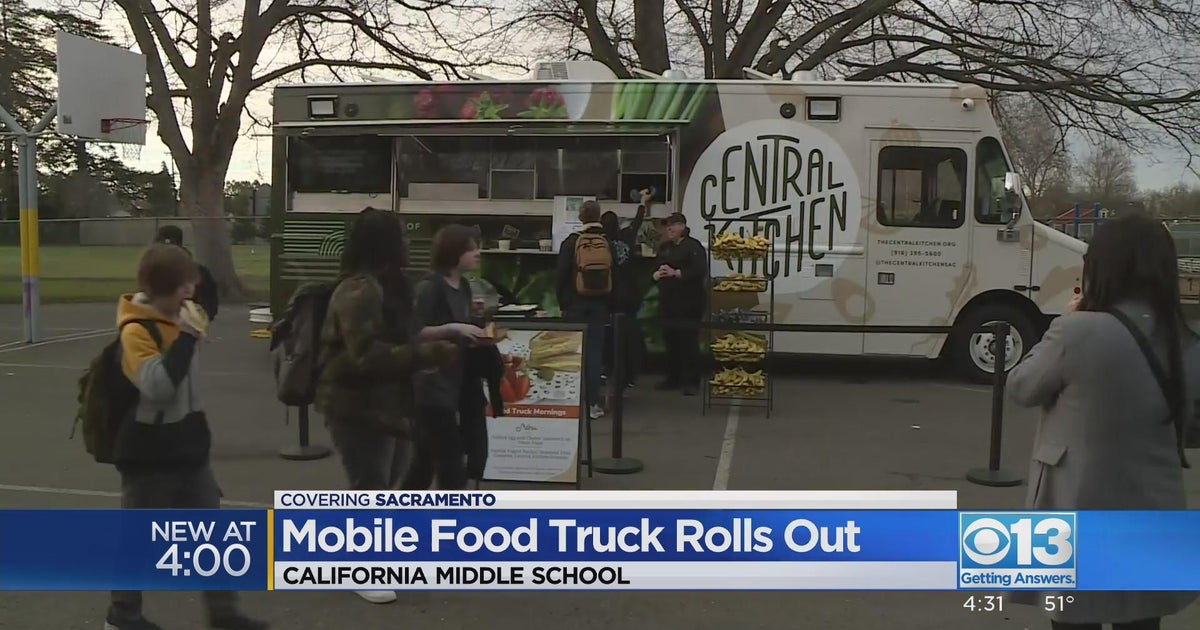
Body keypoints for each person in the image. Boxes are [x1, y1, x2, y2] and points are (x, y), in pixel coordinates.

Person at [1007, 213, 1199, 630]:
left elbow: (1021, 387)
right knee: (1142, 621)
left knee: (1075, 618)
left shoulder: (1078, 331)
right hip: (1155, 514)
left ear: (1102, 267)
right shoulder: (1186, 341)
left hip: (1079, 510)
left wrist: (1065, 321)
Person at [105, 244, 266, 630]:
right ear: (162, 290)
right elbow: (158, 386)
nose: (189, 295)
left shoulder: (178, 318)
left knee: (214, 535)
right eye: (183, 288)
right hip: (149, 456)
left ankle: (224, 614)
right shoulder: (136, 330)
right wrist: (187, 339)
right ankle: (122, 616)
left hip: (188, 449)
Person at [313, 208, 460, 605]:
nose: (410, 243)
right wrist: (430, 355)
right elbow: (367, 356)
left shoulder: (390, 285)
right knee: (371, 487)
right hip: (354, 404)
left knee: (388, 484)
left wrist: (452, 331)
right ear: (385, 245)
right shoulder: (358, 291)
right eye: (402, 237)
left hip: (391, 403)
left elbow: (407, 334)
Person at [404, 224, 489, 491]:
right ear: (454, 252)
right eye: (471, 248)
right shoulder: (430, 288)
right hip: (430, 385)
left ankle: (401, 516)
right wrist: (455, 328)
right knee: (451, 462)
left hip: (454, 382)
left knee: (424, 461)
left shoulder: (463, 286)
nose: (478, 253)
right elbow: (414, 332)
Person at [556, 200, 616, 420]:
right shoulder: (607, 242)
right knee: (593, 353)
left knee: (573, 353)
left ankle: (573, 402)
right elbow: (615, 274)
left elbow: (561, 275)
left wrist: (564, 304)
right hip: (599, 304)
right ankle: (593, 404)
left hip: (575, 304)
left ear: (580, 217)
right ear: (598, 217)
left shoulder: (571, 242)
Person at [600, 190, 650, 388]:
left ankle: (610, 370)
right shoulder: (627, 237)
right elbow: (638, 221)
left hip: (610, 296)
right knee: (629, 337)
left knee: (610, 337)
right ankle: (629, 375)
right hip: (630, 294)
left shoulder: (601, 244)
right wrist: (643, 203)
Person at [653, 213, 707, 396]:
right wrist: (657, 274)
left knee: (689, 342)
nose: (668, 229)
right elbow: (657, 265)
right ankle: (672, 377)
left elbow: (699, 269)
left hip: (689, 303)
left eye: (672, 226)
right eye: (667, 226)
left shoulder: (694, 246)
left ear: (682, 226)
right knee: (670, 341)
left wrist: (677, 273)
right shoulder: (665, 247)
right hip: (668, 302)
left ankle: (692, 381)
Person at [154, 225, 219, 322]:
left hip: (187, 323)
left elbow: (210, 299)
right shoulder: (153, 271)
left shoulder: (197, 271)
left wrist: (200, 317)